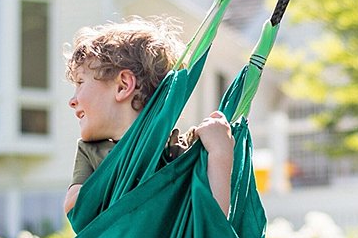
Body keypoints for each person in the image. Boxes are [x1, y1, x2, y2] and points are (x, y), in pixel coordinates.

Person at [62, 17, 234, 216]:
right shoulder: (89, 151)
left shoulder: (178, 151)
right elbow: (74, 208)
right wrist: (127, 168)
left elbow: (210, 225)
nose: (72, 101)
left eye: (80, 82)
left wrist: (220, 154)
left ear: (123, 86)